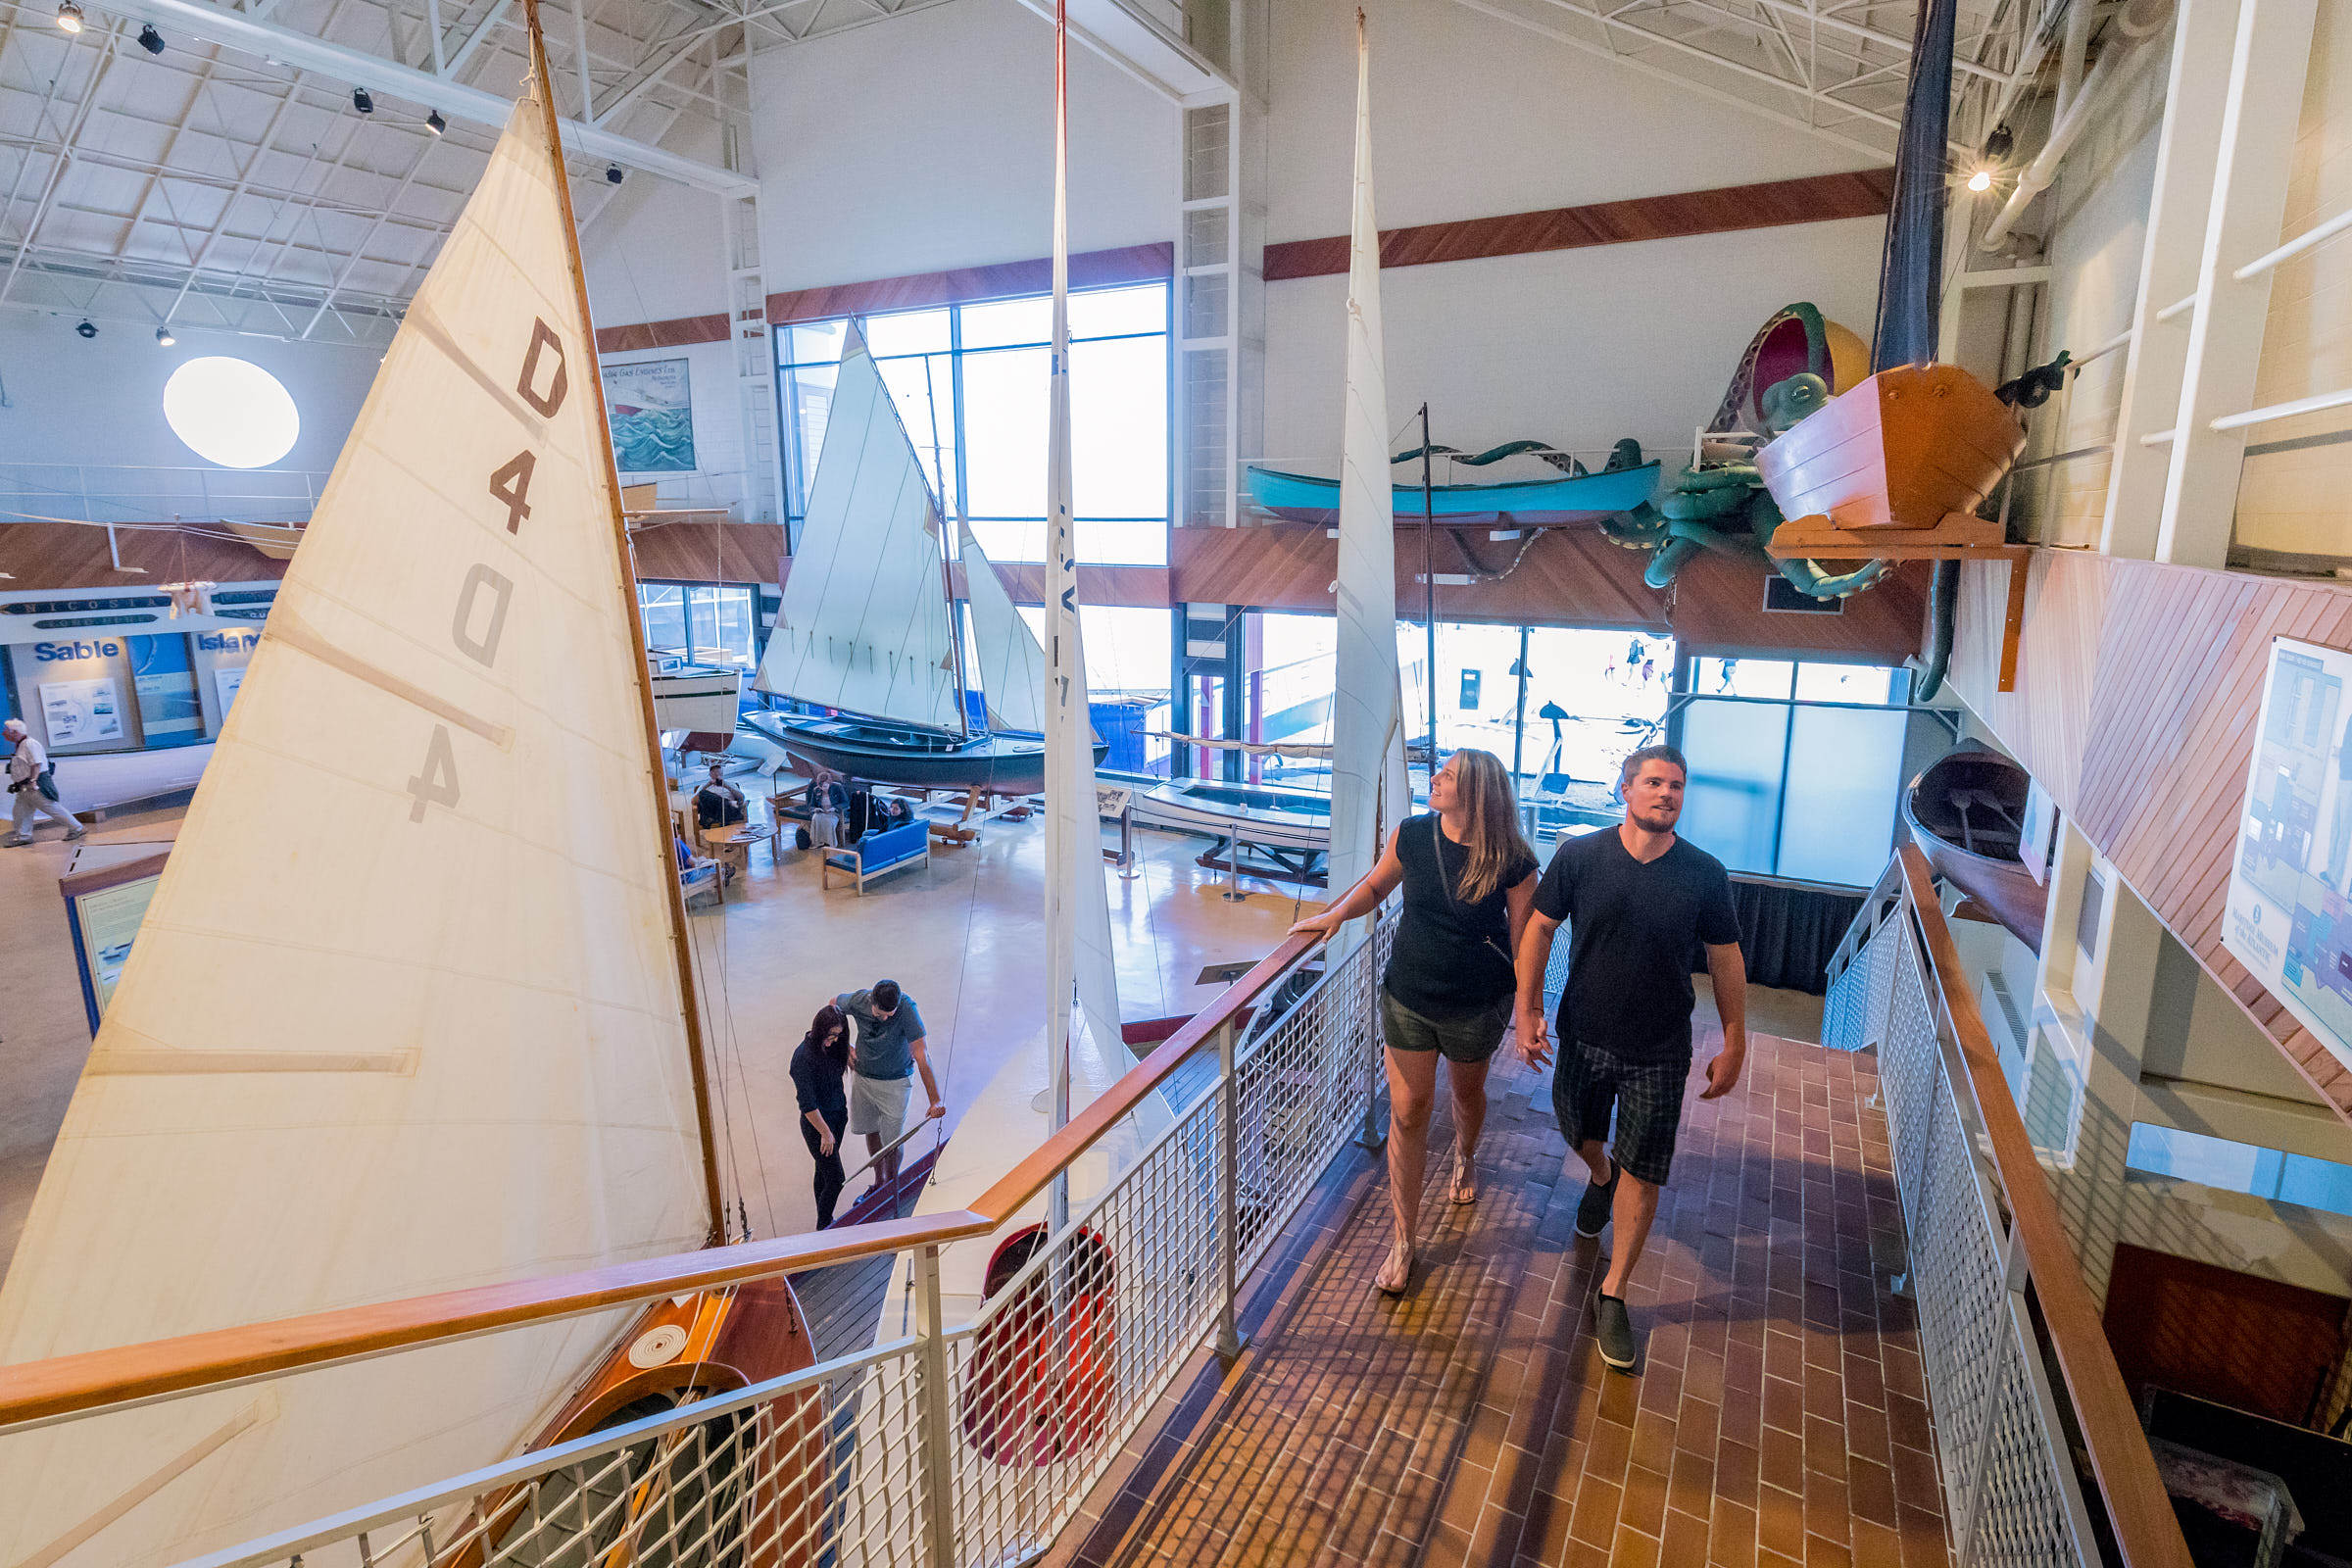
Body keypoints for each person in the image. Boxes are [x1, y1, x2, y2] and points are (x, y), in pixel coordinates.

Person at [1514, 744, 1746, 1374]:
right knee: (1580, 1133)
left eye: (1676, 785)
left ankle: (1613, 1291)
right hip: (1583, 1035)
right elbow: (1539, 929)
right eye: (1654, 782)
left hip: (1660, 1049)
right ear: (1625, 790)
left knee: (1644, 1169)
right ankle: (1599, 1175)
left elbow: (1725, 956)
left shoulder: (1704, 873)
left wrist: (1735, 1039)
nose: (1666, 793)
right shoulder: (1580, 856)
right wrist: (1527, 1009)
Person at [1292, 750, 1539, 1296]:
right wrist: (1337, 914)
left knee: (1467, 1095)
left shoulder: (1513, 858)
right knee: (1407, 1112)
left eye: (1447, 775)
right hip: (1408, 995)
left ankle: (1465, 1156)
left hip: (1476, 1004)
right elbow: (1377, 886)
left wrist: (1529, 1012)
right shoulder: (1412, 834)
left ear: (1476, 792)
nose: (1435, 778)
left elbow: (1526, 941)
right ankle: (1403, 1240)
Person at [837, 978, 946, 1192]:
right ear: (872, 1001)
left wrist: (935, 1100)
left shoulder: (907, 1009)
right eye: (880, 1014)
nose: (885, 1018)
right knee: (871, 1130)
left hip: (896, 1084)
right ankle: (879, 1183)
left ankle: (891, 1186)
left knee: (893, 1142)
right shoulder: (859, 1000)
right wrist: (845, 1047)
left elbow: (921, 1054)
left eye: (890, 1014)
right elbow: (833, 1005)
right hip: (864, 1078)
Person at [792, 1004, 853, 1228]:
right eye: (830, 1035)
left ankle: (823, 1221)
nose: (833, 1040)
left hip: (837, 1117)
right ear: (819, 1030)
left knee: (824, 1171)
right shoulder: (802, 1057)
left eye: (838, 1036)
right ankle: (824, 1225)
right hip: (817, 1126)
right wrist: (825, 1133)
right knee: (836, 1179)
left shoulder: (835, 1048)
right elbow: (807, 1104)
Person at [3, 719, 82, 848]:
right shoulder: (21, 744)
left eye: (6, 731)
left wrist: (33, 781)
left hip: (35, 785)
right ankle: (23, 836)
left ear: (15, 732)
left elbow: (37, 763)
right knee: (20, 811)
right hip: (24, 787)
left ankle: (77, 828)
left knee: (51, 807)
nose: (3, 733)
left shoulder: (30, 744)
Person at [694, 760, 748, 830]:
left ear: (722, 773)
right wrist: (708, 784)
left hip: (726, 811)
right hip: (712, 810)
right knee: (702, 793)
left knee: (724, 808)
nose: (716, 773)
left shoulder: (730, 784)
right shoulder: (704, 785)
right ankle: (727, 803)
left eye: (718, 771)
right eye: (713, 771)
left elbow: (741, 798)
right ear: (710, 774)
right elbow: (693, 801)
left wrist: (725, 785)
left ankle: (726, 805)